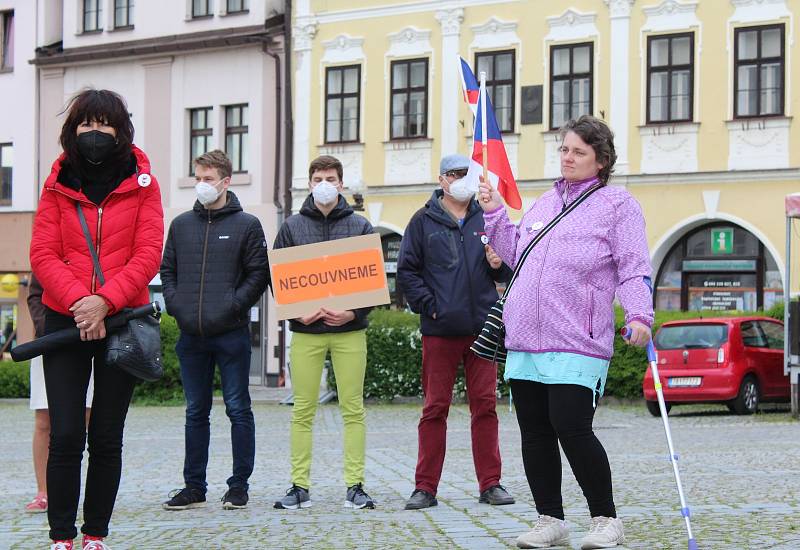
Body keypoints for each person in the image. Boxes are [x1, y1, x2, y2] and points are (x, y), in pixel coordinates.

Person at [478, 115, 652, 550]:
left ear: (601, 160)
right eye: (564, 149)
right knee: (534, 432)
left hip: (578, 338)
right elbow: (515, 251)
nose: (568, 158)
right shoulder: (543, 203)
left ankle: (605, 519)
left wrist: (640, 316)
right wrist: (495, 212)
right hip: (525, 338)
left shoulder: (618, 205)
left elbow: (633, 268)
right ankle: (549, 520)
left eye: (578, 152)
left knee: (572, 428)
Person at [29, 89, 164, 550]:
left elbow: (148, 253)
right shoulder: (55, 183)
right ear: (73, 130)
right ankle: (62, 536)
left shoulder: (144, 183)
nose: (94, 133)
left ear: (120, 129)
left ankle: (95, 534)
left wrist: (105, 302)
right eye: (86, 124)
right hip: (65, 320)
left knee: (106, 436)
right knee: (65, 433)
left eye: (104, 123)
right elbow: (43, 254)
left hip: (122, 318)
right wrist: (81, 304)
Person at [396, 154, 515, 510]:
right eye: (455, 174)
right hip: (441, 329)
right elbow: (407, 272)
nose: (462, 180)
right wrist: (430, 306)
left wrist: (500, 265)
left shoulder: (488, 216)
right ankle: (425, 487)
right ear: (442, 179)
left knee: (486, 407)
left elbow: (510, 266)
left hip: (483, 329)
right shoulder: (422, 221)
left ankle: (491, 484)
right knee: (434, 409)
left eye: (467, 174)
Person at [160, 150, 269, 512]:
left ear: (226, 181)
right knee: (195, 411)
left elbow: (257, 274)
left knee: (238, 409)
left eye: (208, 178)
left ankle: (239, 486)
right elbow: (168, 271)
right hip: (191, 335)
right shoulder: (180, 225)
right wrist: (178, 307)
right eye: (198, 177)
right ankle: (194, 486)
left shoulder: (247, 225)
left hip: (231, 333)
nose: (201, 184)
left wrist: (233, 306)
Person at [272, 155, 375, 510]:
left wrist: (353, 312)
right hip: (307, 332)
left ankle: (355, 485)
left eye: (330, 178)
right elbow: (278, 280)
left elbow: (373, 280)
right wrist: (299, 313)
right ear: (309, 183)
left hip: (349, 331)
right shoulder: (292, 227)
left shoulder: (361, 227)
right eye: (317, 178)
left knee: (353, 409)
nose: (324, 184)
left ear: (341, 184)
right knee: (303, 409)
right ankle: (299, 485)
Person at [25, 275, 94, 514]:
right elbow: (35, 295)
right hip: (50, 341)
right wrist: (49, 329)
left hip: (93, 335)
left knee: (88, 418)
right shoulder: (49, 244)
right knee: (45, 420)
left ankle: (85, 490)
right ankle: (44, 491)